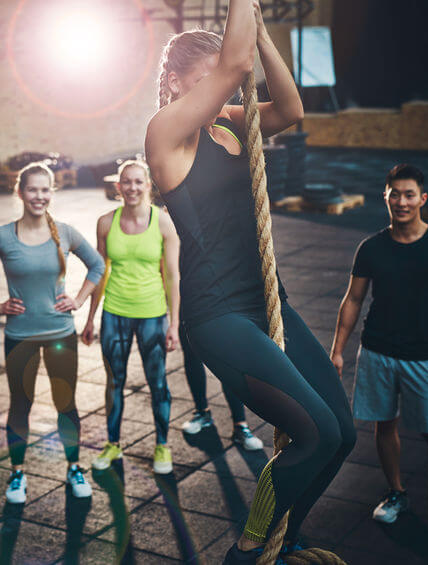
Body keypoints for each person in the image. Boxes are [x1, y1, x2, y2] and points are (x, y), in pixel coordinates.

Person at [143, 1, 355, 562]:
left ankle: (289, 537)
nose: (223, 89)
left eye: (220, 78)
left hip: (267, 303)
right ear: (174, 83)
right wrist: (242, 26)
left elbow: (289, 107)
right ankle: (248, 550)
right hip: (219, 316)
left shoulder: (229, 125)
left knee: (343, 434)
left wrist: (260, 34)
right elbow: (234, 71)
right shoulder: (166, 133)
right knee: (316, 435)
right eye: (204, 78)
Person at [331, 164, 428, 537]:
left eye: (409, 194)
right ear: (386, 197)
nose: (401, 201)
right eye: (394, 193)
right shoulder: (372, 248)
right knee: (385, 426)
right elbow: (353, 300)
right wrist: (337, 351)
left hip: (420, 357)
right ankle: (396, 492)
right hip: (377, 350)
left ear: (422, 199)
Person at [0, 162, 105, 504]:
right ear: (21, 193)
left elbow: (97, 265)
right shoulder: (2, 236)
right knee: (20, 404)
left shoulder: (65, 233)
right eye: (33, 189)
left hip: (60, 333)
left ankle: (73, 467)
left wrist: (79, 299)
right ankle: (17, 474)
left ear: (51, 193)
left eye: (45, 189)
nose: (39, 196)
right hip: (21, 334)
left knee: (65, 402)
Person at [81, 160, 181, 474]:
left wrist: (174, 324)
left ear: (149, 186)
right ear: (118, 187)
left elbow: (173, 276)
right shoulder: (105, 223)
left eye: (138, 182)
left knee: (157, 382)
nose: (132, 188)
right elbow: (100, 272)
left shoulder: (164, 223)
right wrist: (89, 318)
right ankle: (113, 444)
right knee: (114, 383)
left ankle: (162, 446)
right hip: (115, 313)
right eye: (127, 182)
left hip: (152, 314)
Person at [179, 330, 263, 451]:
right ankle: (202, 413)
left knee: (227, 361)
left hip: (218, 313)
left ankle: (240, 425)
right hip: (188, 314)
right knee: (192, 357)